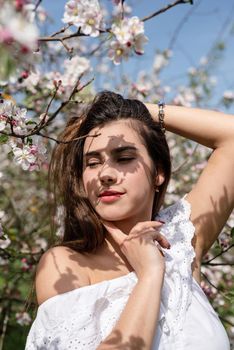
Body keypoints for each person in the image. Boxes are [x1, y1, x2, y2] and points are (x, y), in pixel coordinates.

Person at [25, 91, 233, 350]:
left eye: (123, 158)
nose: (106, 174)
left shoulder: (180, 243)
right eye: (92, 162)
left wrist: (136, 111)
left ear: (158, 172)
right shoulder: (65, 265)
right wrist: (149, 274)